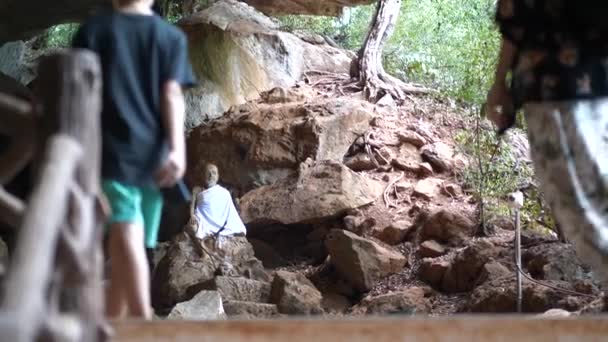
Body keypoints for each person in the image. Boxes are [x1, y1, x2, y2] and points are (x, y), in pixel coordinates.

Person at [73, 0, 196, 319]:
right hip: (156, 161)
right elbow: (172, 95)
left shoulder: (93, 32)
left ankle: (130, 323)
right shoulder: (170, 38)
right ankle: (140, 321)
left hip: (111, 152)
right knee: (130, 241)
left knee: (126, 242)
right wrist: (177, 150)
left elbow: (81, 104)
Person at [487, 0, 608, 285]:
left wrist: (499, 83)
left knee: (586, 215)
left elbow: (515, 18)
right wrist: (499, 82)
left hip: (559, 87)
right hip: (559, 85)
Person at [190, 164, 247, 241]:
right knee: (192, 228)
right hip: (202, 221)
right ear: (203, 175)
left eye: (214, 173)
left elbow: (230, 212)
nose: (211, 176)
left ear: (217, 176)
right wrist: (192, 216)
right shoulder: (197, 189)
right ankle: (203, 250)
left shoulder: (224, 192)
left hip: (220, 222)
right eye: (208, 173)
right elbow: (192, 205)